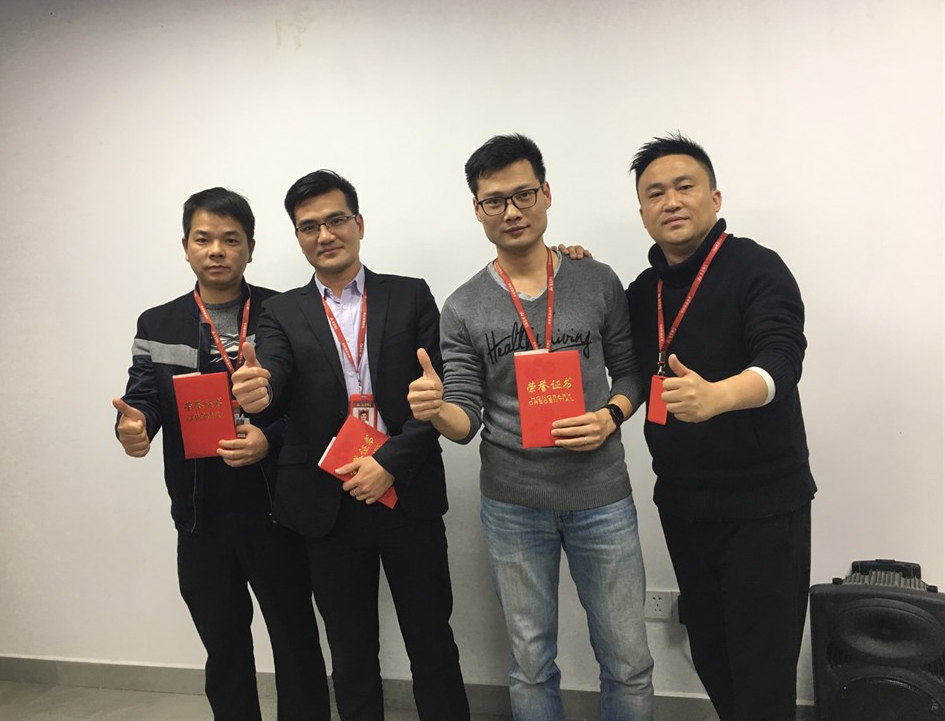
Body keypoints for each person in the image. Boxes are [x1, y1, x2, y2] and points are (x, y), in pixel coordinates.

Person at [407, 134, 654, 721]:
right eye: (494, 201)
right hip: (514, 505)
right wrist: (435, 408)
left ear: (545, 194)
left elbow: (631, 373)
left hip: (602, 497)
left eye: (523, 195)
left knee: (628, 660)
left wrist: (610, 416)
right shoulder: (463, 306)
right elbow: (465, 420)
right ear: (478, 210)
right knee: (530, 662)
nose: (511, 211)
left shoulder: (597, 280)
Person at [230, 170, 469, 721]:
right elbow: (275, 381)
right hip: (328, 501)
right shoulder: (282, 312)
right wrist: (260, 391)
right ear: (298, 237)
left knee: (432, 641)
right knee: (351, 651)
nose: (325, 234)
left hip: (407, 494)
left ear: (358, 223)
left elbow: (434, 394)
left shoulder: (408, 295)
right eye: (308, 226)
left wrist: (388, 462)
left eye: (335, 219)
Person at [112, 187, 330, 721]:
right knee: (224, 646)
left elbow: (312, 404)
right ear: (185, 246)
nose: (216, 251)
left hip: (278, 509)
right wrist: (133, 426)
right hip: (200, 513)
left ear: (251, 247)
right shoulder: (157, 323)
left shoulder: (286, 311)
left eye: (231, 240)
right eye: (203, 239)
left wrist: (270, 438)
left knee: (296, 641)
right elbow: (144, 397)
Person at [625, 134, 816, 721]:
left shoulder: (756, 267)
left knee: (763, 673)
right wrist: (567, 262)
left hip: (763, 508)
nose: (671, 201)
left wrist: (719, 396)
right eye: (655, 193)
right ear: (642, 212)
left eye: (684, 186)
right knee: (712, 656)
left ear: (714, 197)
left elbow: (782, 358)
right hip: (684, 506)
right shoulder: (643, 292)